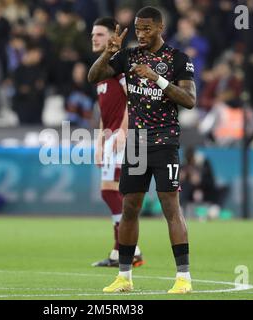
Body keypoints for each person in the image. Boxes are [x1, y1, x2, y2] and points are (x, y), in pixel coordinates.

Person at [88, 6, 196, 294]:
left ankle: (183, 278)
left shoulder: (178, 59)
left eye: (147, 29)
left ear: (160, 28)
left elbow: (189, 99)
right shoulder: (128, 56)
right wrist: (107, 52)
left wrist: (157, 78)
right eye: (138, 29)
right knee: (129, 208)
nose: (142, 34)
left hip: (164, 142)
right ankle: (124, 277)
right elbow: (93, 76)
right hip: (136, 145)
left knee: (170, 208)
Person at [90, 17, 144, 268]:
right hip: (110, 136)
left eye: (100, 34)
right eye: (93, 34)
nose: (94, 38)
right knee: (115, 192)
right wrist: (100, 141)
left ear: (113, 37)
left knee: (110, 191)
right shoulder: (101, 69)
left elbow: (132, 99)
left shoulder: (119, 65)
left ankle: (131, 249)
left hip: (124, 136)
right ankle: (118, 252)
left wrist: (123, 132)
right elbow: (105, 111)